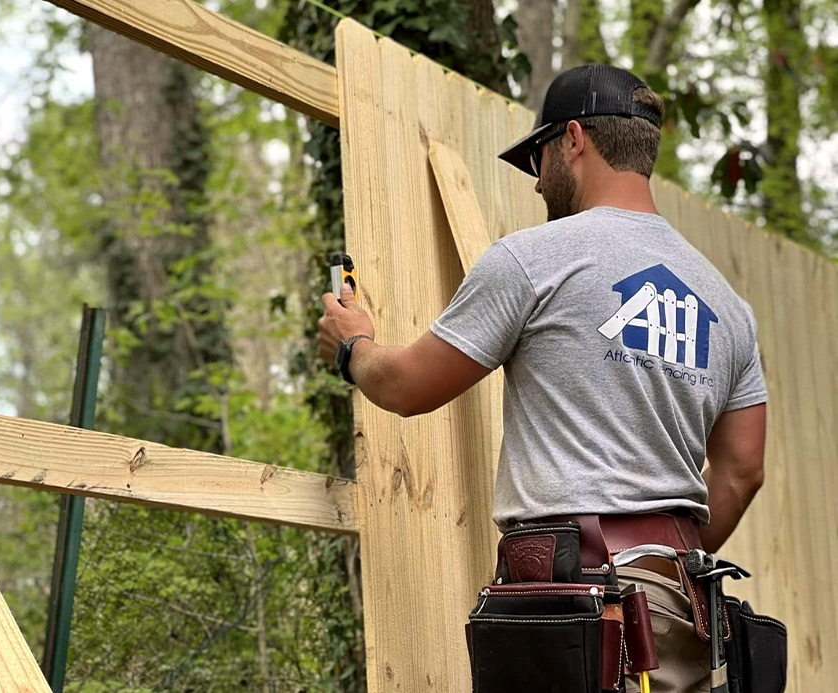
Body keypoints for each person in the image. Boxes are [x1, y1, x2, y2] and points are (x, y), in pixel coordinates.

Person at [317, 64, 767, 693]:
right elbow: (744, 470)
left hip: (571, 609)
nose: (536, 184)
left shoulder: (534, 260)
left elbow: (406, 387)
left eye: (539, 158)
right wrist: (660, 561)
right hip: (682, 610)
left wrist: (353, 346)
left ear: (574, 139)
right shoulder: (729, 307)